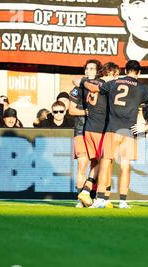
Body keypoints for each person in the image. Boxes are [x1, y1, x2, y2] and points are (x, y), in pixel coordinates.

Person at [83, 60, 148, 209]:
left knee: (105, 163)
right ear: (139, 72)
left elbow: (94, 89)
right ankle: (123, 201)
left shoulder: (113, 83)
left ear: (125, 70)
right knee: (125, 166)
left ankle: (100, 199)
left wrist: (84, 82)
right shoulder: (143, 87)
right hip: (129, 131)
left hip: (112, 128)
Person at [73, 61, 121, 209]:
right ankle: (87, 191)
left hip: (88, 128)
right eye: (116, 74)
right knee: (104, 162)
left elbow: (76, 81)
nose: (117, 78)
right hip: (101, 129)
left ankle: (103, 197)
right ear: (110, 73)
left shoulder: (87, 82)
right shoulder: (108, 86)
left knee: (98, 163)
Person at [68, 59, 102, 208]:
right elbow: (71, 110)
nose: (88, 71)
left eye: (92, 69)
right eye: (87, 69)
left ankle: (90, 196)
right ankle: (80, 200)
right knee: (82, 165)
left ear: (97, 71)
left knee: (98, 163)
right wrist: (86, 112)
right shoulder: (78, 88)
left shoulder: (102, 87)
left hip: (96, 130)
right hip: (81, 129)